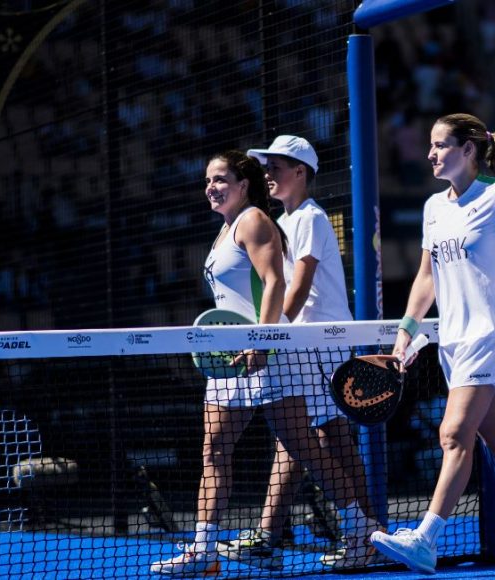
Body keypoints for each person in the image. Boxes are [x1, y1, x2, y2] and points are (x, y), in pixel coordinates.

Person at [150, 151, 380, 576]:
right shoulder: (224, 230)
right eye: (208, 180)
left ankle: (361, 529)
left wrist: (262, 340)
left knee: (306, 447)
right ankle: (204, 552)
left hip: (270, 356)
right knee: (214, 449)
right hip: (231, 358)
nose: (211, 187)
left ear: (243, 185)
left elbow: (275, 282)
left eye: (221, 179)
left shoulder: (254, 221)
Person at [368, 113, 495, 574]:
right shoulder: (432, 208)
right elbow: (426, 277)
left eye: (440, 145)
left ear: (469, 150)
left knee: (453, 433)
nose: (430, 154)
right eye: (431, 145)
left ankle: (426, 539)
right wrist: (405, 332)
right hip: (452, 343)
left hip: (490, 334)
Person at [216, 135, 381, 570]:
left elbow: (300, 286)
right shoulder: (281, 221)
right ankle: (351, 534)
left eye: (276, 167)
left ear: (300, 172)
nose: (267, 174)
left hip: (321, 342)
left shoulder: (310, 217)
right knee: (304, 437)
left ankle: (364, 535)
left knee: (325, 438)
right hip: (299, 343)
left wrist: (268, 338)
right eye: (266, 167)